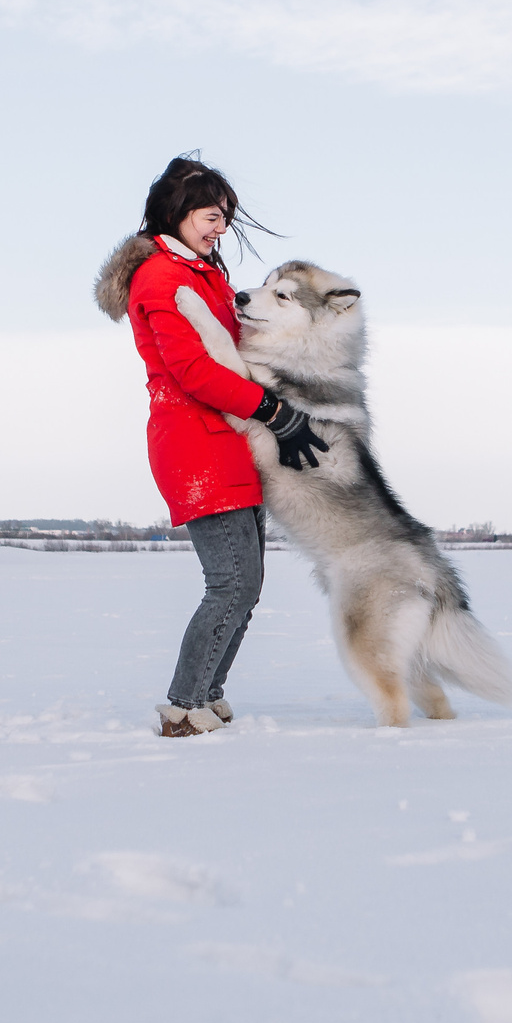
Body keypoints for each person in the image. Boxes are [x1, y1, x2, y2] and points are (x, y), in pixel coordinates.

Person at [94, 155, 328, 737]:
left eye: (224, 215)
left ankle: (208, 693)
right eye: (209, 214)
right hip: (194, 442)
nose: (220, 225)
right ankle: (182, 706)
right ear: (174, 213)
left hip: (234, 437)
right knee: (229, 582)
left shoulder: (206, 275)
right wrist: (273, 410)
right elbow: (193, 370)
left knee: (247, 584)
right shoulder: (161, 278)